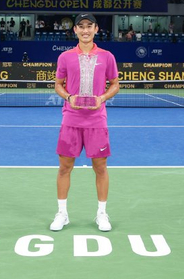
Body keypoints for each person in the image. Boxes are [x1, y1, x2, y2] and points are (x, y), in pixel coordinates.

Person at [51, 13, 120, 232]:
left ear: (96, 29)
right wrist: (69, 97)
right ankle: (62, 214)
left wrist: (102, 98)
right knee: (64, 168)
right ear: (75, 30)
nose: (85, 30)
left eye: (89, 26)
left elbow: (115, 84)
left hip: (97, 121)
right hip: (71, 120)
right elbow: (58, 85)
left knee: (100, 168)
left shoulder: (107, 56)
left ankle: (102, 214)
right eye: (81, 26)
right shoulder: (65, 57)